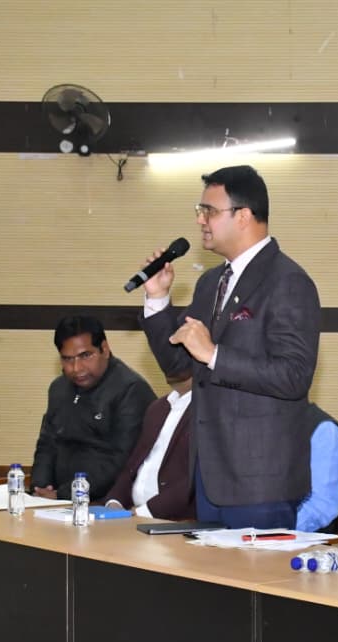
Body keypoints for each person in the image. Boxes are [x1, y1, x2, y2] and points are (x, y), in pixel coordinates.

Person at [137, 165, 320, 528]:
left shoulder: (287, 281)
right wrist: (158, 301)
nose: (200, 220)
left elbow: (294, 375)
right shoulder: (211, 283)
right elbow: (178, 365)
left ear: (244, 216)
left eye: (209, 211)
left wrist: (214, 354)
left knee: (256, 569)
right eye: (199, 210)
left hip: (261, 483)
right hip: (209, 478)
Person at [31, 315, 155, 500]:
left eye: (85, 356)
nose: (76, 368)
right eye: (67, 359)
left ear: (104, 349)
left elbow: (121, 461)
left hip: (107, 502)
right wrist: (39, 489)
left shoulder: (131, 390)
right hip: (55, 501)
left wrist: (63, 495)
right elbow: (47, 445)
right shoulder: (59, 388)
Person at [102, 371, 196, 520]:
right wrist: (114, 502)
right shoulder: (157, 408)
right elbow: (133, 465)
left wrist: (143, 513)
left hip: (175, 521)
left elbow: (198, 478)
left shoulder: (212, 411)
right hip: (132, 515)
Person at [300, 402, 338, 533]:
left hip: (299, 537)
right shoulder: (258, 423)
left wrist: (268, 530)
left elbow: (320, 508)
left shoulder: (326, 431)